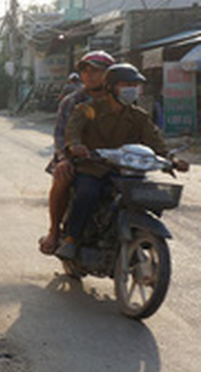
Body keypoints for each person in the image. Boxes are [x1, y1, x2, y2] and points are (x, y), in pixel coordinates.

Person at [54, 63, 190, 260]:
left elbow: (156, 143)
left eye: (134, 85)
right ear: (110, 87)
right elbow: (72, 132)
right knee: (87, 193)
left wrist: (172, 160)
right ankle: (71, 240)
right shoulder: (87, 109)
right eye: (126, 84)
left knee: (147, 197)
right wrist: (76, 145)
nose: (131, 89)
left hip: (127, 171)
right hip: (93, 168)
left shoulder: (139, 116)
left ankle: (138, 235)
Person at [38, 51, 115, 255]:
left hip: (113, 160)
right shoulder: (72, 101)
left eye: (96, 71)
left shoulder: (121, 101)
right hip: (77, 158)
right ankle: (55, 232)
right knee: (63, 176)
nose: (89, 75)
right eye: (86, 71)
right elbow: (61, 136)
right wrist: (65, 158)